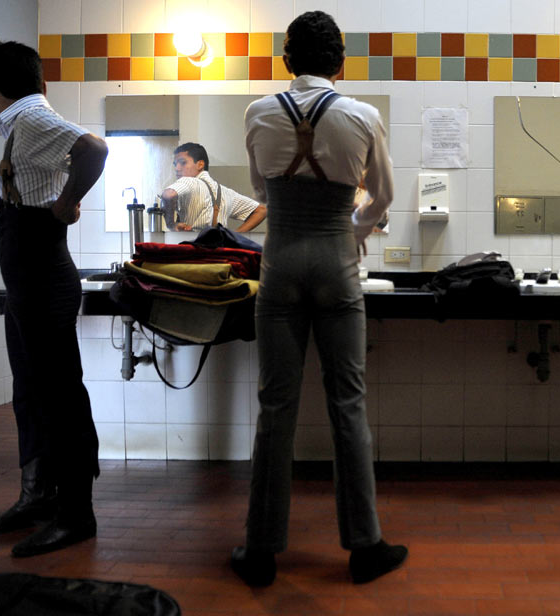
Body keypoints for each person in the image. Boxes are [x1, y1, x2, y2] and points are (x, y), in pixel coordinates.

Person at [233, 11, 407, 587]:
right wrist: (354, 229)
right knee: (348, 404)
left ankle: (260, 551)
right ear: (341, 64)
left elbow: (259, 188)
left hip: (280, 261)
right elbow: (382, 196)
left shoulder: (258, 112)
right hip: (337, 263)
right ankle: (365, 546)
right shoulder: (363, 115)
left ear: (286, 61)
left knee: (275, 407)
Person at [0, 41, 107, 557]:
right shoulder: (21, 122)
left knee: (58, 394)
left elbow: (93, 149)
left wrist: (67, 202)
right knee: (29, 390)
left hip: (43, 277)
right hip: (26, 281)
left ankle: (76, 514)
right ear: (42, 80)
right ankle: (38, 497)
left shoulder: (29, 118)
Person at [160, 142, 267, 232]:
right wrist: (235, 236)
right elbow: (261, 211)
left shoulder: (188, 181)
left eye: (182, 163)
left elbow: (168, 195)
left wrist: (171, 224)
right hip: (219, 249)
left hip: (192, 248)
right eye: (175, 164)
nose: (177, 168)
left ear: (200, 165)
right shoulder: (226, 192)